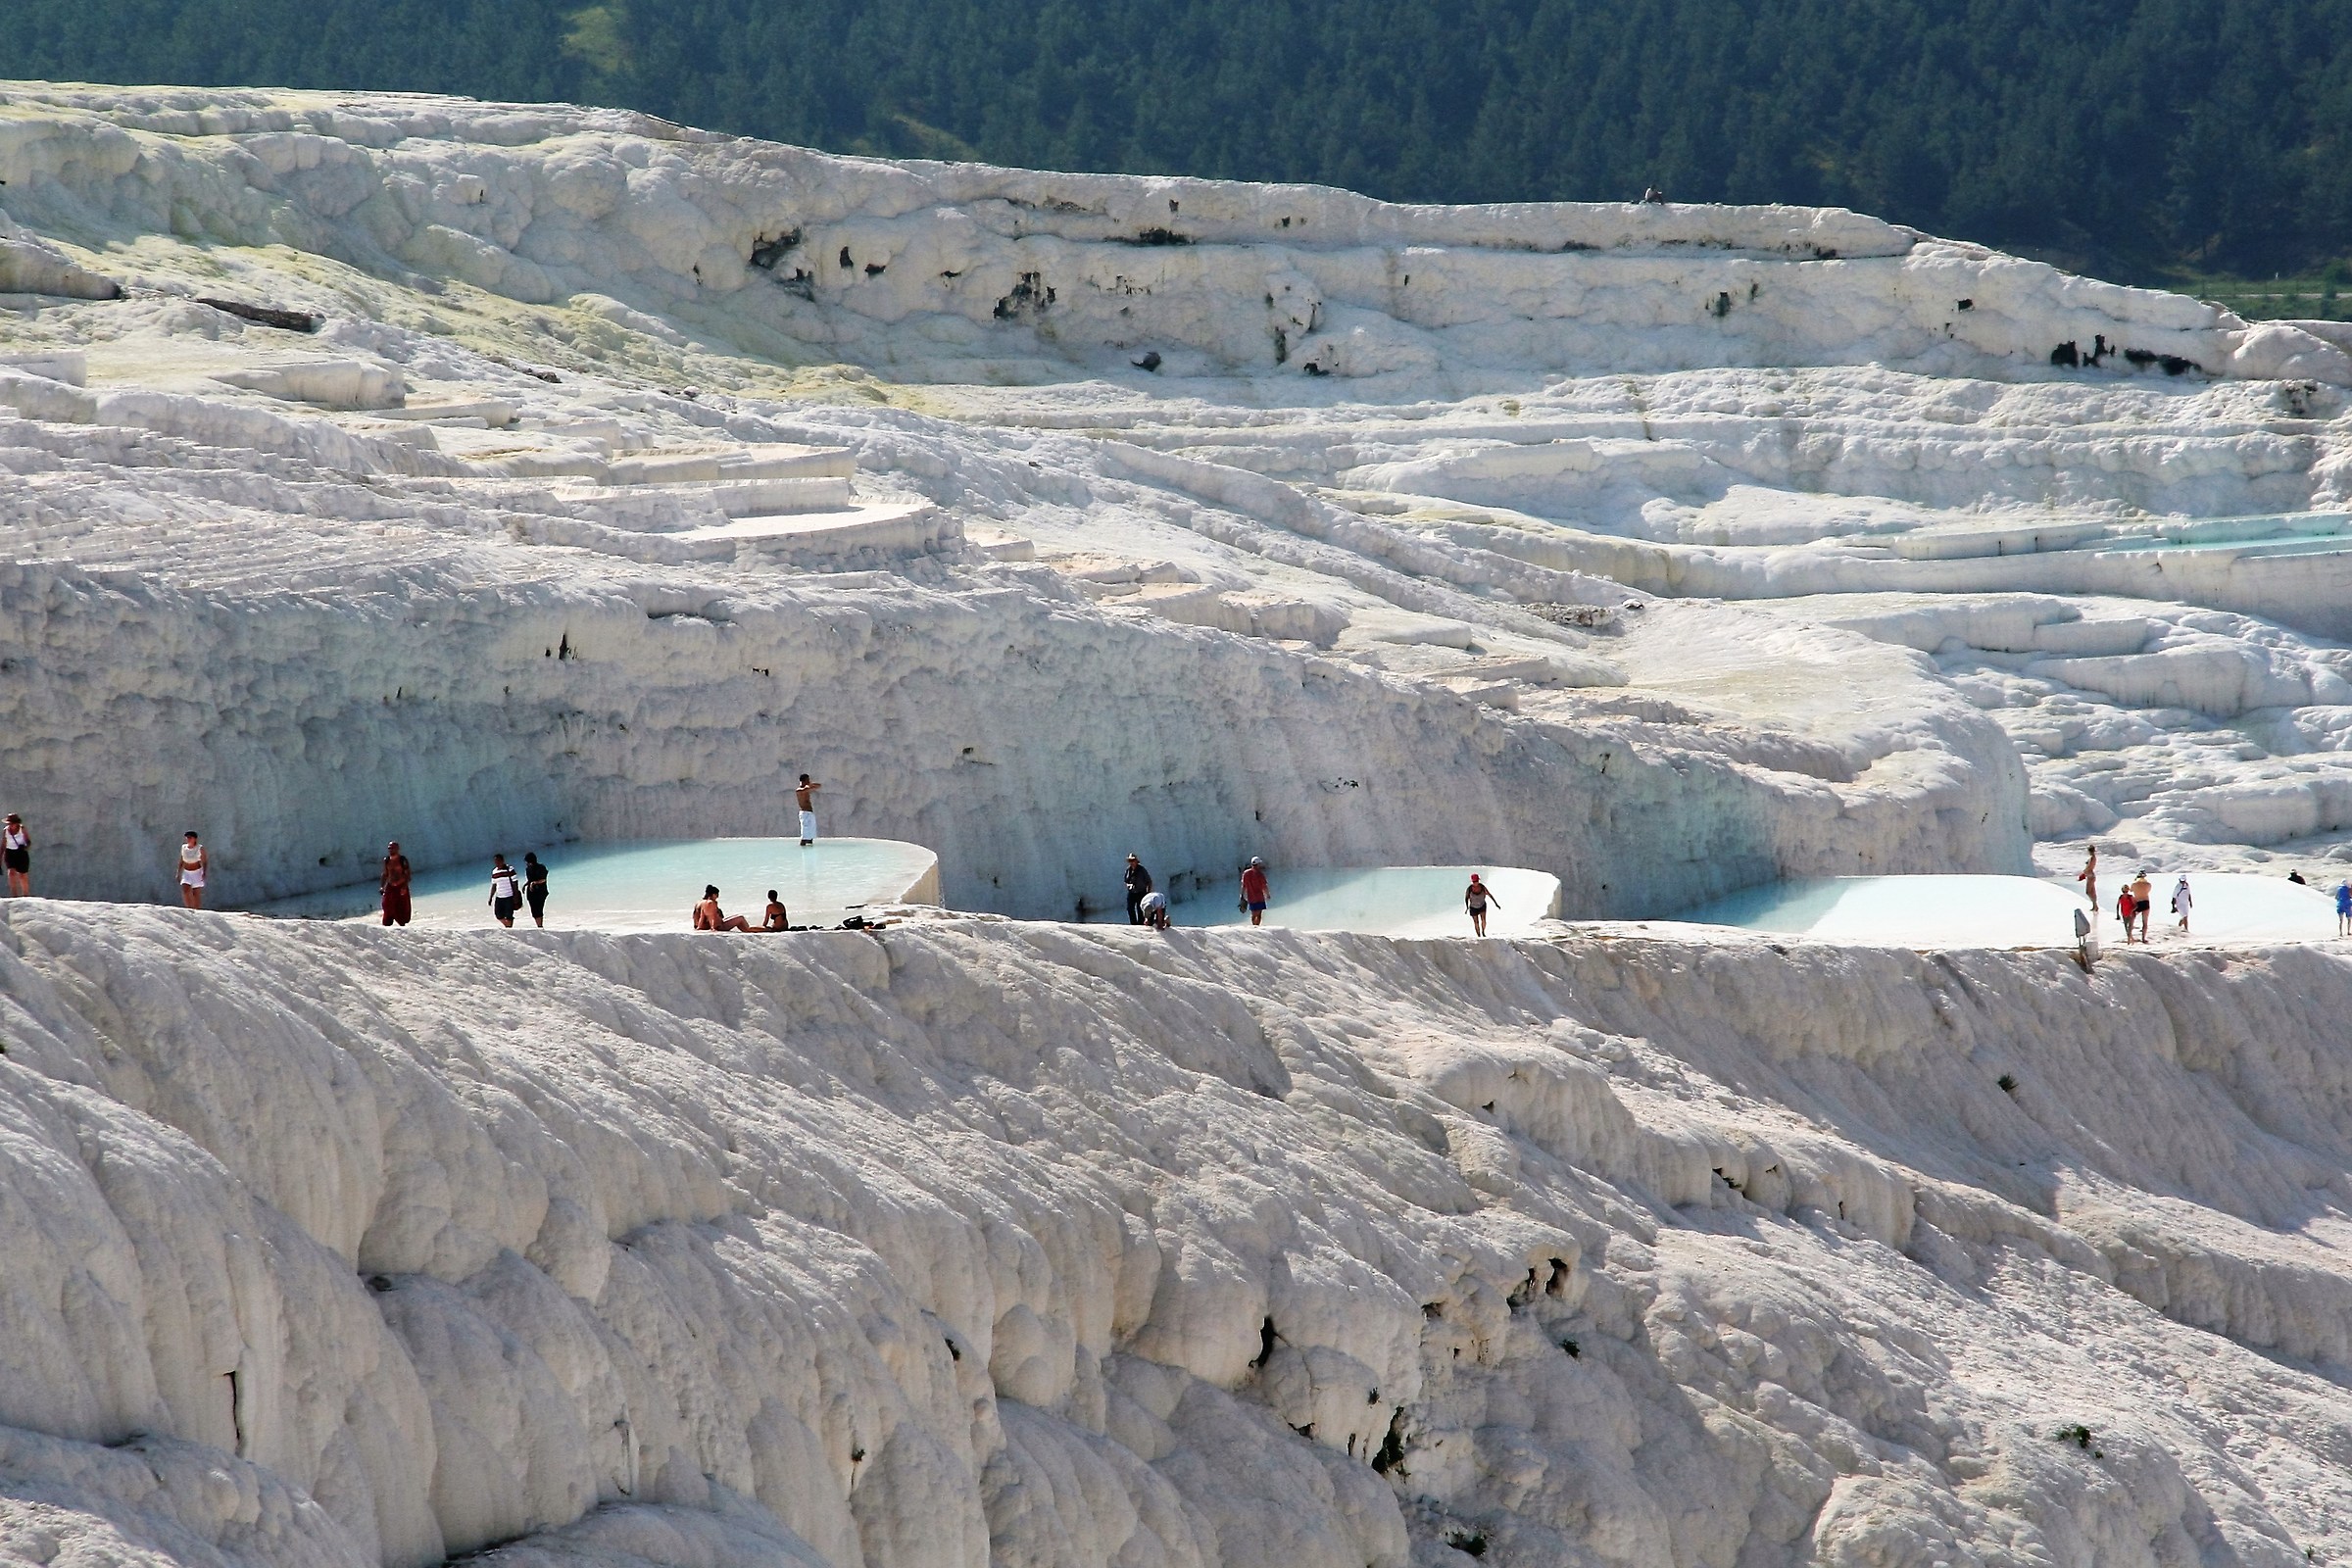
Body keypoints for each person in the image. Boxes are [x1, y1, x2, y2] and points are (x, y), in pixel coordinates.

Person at [380, 841, 412, 927]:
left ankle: (402, 926)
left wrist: (404, 887)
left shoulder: (402, 860)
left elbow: (407, 874)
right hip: (390, 887)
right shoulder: (386, 860)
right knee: (386, 905)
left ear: (397, 849)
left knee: (402, 908)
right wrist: (382, 886)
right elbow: (385, 874)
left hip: (401, 886)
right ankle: (387, 925)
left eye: (392, 848)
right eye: (389, 848)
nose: (391, 850)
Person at [488, 854, 522, 928]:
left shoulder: (510, 869)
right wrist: (490, 897)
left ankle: (509, 928)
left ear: (503, 861)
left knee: (509, 916)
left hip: (509, 896)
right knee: (498, 915)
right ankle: (508, 927)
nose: (497, 863)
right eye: (495, 862)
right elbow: (494, 885)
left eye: (498, 861)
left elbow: (515, 883)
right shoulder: (494, 871)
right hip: (499, 896)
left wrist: (516, 895)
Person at [177, 831, 208, 909]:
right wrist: (178, 872)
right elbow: (182, 859)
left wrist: (204, 872)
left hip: (197, 872)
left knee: (196, 893)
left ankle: (196, 910)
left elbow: (204, 861)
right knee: (185, 890)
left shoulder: (200, 848)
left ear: (195, 839)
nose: (188, 839)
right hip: (186, 872)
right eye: (187, 838)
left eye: (190, 838)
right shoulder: (184, 847)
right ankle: (188, 908)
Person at [1465, 872, 1501, 937]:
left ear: (1478, 880)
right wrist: (1467, 907)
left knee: (1483, 920)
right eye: (1474, 882)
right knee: (1476, 922)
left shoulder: (1482, 887)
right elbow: (1466, 898)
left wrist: (1496, 904)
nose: (1475, 883)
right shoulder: (1469, 889)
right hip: (1473, 907)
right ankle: (1478, 935)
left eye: (1476, 881)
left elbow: (1490, 895)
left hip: (1482, 905)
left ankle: (1483, 932)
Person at [2, 813, 27, 897]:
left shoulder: (22, 829)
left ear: (17, 823)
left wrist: (24, 847)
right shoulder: (6, 831)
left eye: (12, 823)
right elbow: (3, 845)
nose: (11, 825)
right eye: (9, 823)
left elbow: (28, 841)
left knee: (22, 874)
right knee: (11, 873)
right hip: (10, 852)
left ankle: (26, 895)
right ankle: (14, 895)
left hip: (21, 853)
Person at [1240, 857, 1270, 927]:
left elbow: (1243, 886)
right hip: (1259, 897)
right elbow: (1264, 886)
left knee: (1253, 914)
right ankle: (1257, 927)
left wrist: (1241, 895)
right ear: (1258, 864)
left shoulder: (1246, 873)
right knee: (1259, 914)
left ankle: (1254, 926)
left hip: (1251, 897)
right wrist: (1267, 894)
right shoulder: (1260, 874)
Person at [1124, 855, 1154, 925]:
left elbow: (1149, 881)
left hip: (1141, 892)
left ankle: (1140, 924)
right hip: (1132, 892)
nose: (1131, 862)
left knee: (1140, 909)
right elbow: (1126, 881)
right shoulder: (1128, 870)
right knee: (1130, 908)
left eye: (1133, 860)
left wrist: (1148, 892)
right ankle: (1133, 924)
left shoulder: (1142, 870)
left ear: (1136, 861)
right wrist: (1128, 885)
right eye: (1130, 861)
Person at [523, 853, 550, 928]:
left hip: (541, 892)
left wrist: (534, 883)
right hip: (531, 893)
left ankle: (540, 926)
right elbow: (530, 880)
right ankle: (539, 926)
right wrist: (525, 885)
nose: (526, 864)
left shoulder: (541, 867)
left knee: (539, 910)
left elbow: (543, 879)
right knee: (534, 911)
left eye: (527, 862)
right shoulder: (528, 869)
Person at [796, 774, 821, 846]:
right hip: (805, 814)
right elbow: (805, 789)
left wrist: (810, 785)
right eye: (807, 780)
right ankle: (802, 849)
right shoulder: (799, 790)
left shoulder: (807, 788)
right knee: (804, 836)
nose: (809, 781)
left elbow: (819, 785)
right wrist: (809, 786)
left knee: (810, 836)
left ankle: (809, 850)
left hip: (810, 813)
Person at [2131, 871, 2154, 943]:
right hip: (2145, 902)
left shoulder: (2134, 884)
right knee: (2145, 922)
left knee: (2132, 920)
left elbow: (2131, 890)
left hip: (2137, 902)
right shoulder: (2148, 884)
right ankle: (2143, 938)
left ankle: (2130, 936)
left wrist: (2135, 880)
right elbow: (2148, 891)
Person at [2077, 845, 2097, 917]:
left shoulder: (2092, 858)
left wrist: (2083, 873)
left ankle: (2095, 905)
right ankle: (2095, 905)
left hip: (2090, 876)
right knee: (2092, 891)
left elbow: (2089, 867)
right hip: (2090, 875)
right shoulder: (2093, 858)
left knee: (2088, 892)